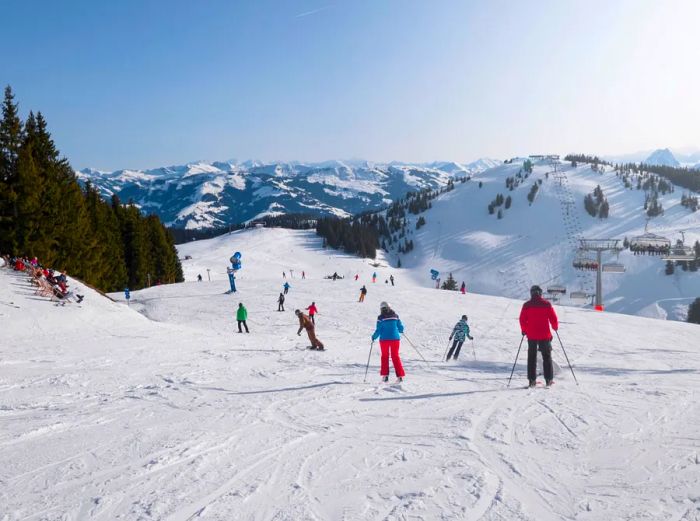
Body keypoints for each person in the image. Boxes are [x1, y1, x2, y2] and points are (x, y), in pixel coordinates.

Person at [519, 285, 558, 387]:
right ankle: (548, 380)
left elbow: (522, 319)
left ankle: (532, 381)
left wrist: (524, 330)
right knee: (547, 357)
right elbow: (553, 318)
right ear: (540, 293)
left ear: (531, 293)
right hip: (545, 335)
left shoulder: (526, 305)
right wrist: (555, 327)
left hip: (531, 335)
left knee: (531, 357)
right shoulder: (546, 304)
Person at [371, 301, 405, 383]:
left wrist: (373, 337)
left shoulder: (380, 318)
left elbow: (378, 330)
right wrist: (400, 330)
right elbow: (400, 327)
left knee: (385, 357)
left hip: (384, 340)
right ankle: (400, 376)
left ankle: (385, 376)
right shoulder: (395, 316)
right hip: (395, 339)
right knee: (395, 356)